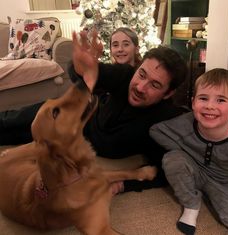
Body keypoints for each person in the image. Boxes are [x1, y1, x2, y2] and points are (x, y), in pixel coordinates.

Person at [0, 30, 188, 191]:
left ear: (168, 93)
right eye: (142, 74)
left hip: (84, 142)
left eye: (154, 85)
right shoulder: (125, 75)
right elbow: (87, 73)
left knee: (23, 135)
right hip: (83, 113)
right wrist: (80, 67)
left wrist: (125, 185)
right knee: (13, 121)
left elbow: (168, 172)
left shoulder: (165, 122)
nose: (140, 87)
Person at [150, 68, 228, 234]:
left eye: (221, 100)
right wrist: (185, 151)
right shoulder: (185, 122)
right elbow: (156, 131)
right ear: (193, 102)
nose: (210, 106)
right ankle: (191, 206)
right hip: (193, 170)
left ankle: (212, 196)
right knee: (173, 159)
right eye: (203, 98)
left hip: (225, 183)